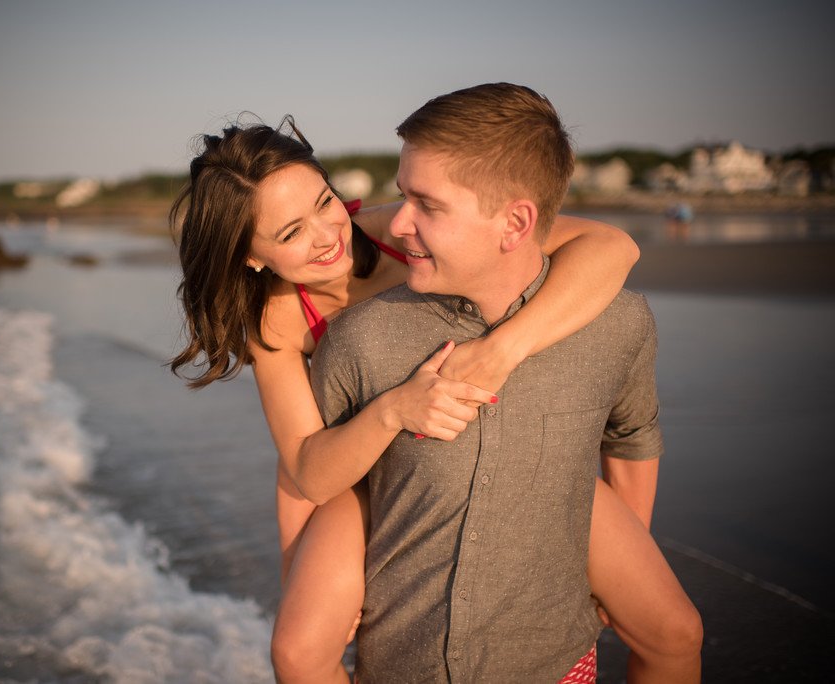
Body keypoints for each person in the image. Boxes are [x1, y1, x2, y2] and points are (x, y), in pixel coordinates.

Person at [171, 109, 701, 682]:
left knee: (675, 631)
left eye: (325, 203)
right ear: (251, 255)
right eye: (291, 233)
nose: (327, 236)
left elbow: (613, 246)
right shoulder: (276, 319)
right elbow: (304, 464)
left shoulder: (401, 229)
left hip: (509, 438)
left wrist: (504, 349)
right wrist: (295, 565)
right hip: (370, 466)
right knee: (298, 651)